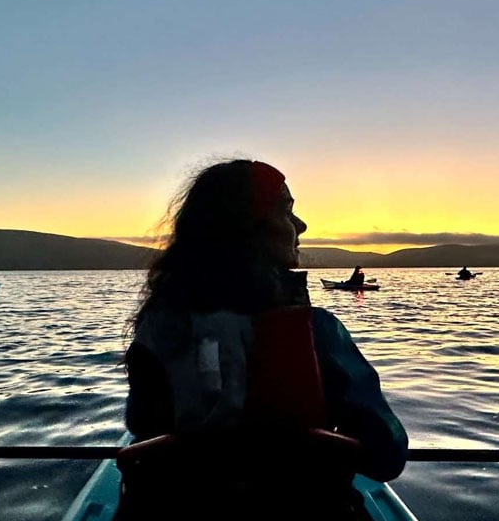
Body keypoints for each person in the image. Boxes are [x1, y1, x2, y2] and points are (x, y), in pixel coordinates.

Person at [124, 159, 407, 482]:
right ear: (248, 227)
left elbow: (142, 427)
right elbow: (388, 456)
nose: (301, 225)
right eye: (286, 211)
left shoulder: (157, 330)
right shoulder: (320, 331)